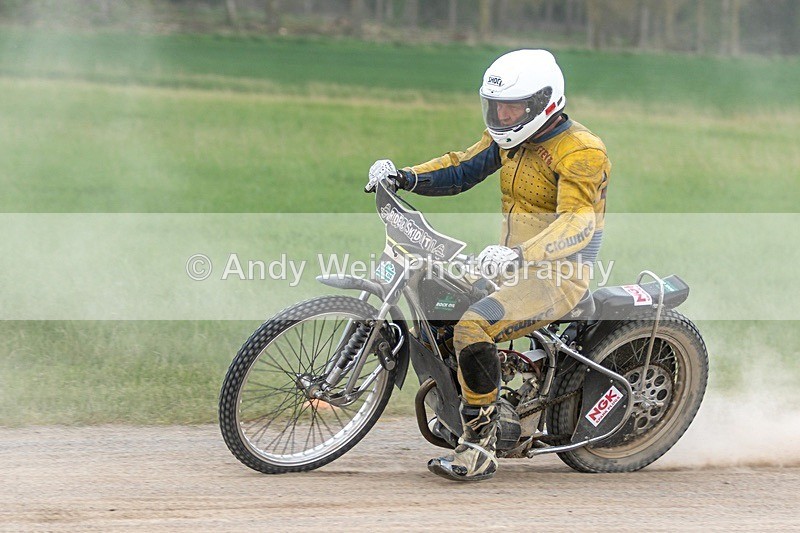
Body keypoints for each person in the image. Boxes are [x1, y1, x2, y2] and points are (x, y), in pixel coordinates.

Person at [365, 49, 611, 482]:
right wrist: (404, 177)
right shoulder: (510, 141)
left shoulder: (581, 151)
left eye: (511, 107)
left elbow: (578, 223)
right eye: (495, 106)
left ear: (543, 102)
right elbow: (461, 168)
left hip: (556, 276)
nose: (501, 115)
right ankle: (463, 401)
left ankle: (480, 445)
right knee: (437, 296)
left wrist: (521, 255)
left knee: (472, 326)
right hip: (508, 266)